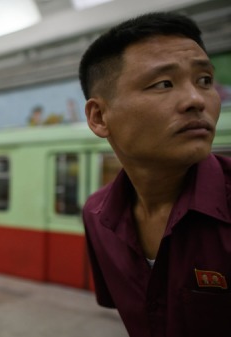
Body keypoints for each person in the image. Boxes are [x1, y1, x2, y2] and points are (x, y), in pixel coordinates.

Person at [79, 12, 230, 337]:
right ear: (99, 116)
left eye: (205, 80)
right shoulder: (97, 215)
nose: (196, 100)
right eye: (163, 84)